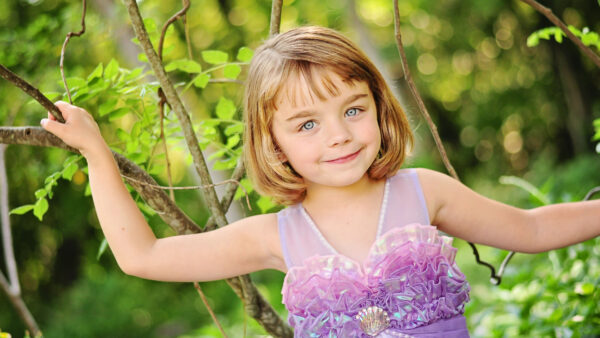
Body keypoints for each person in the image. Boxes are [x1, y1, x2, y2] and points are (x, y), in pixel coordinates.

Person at [41, 26, 599, 337]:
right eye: (307, 124)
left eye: (353, 110)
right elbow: (144, 255)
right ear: (272, 142)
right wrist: (95, 150)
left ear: (379, 109)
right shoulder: (272, 236)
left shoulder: (423, 191)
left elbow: (531, 227)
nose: (339, 135)